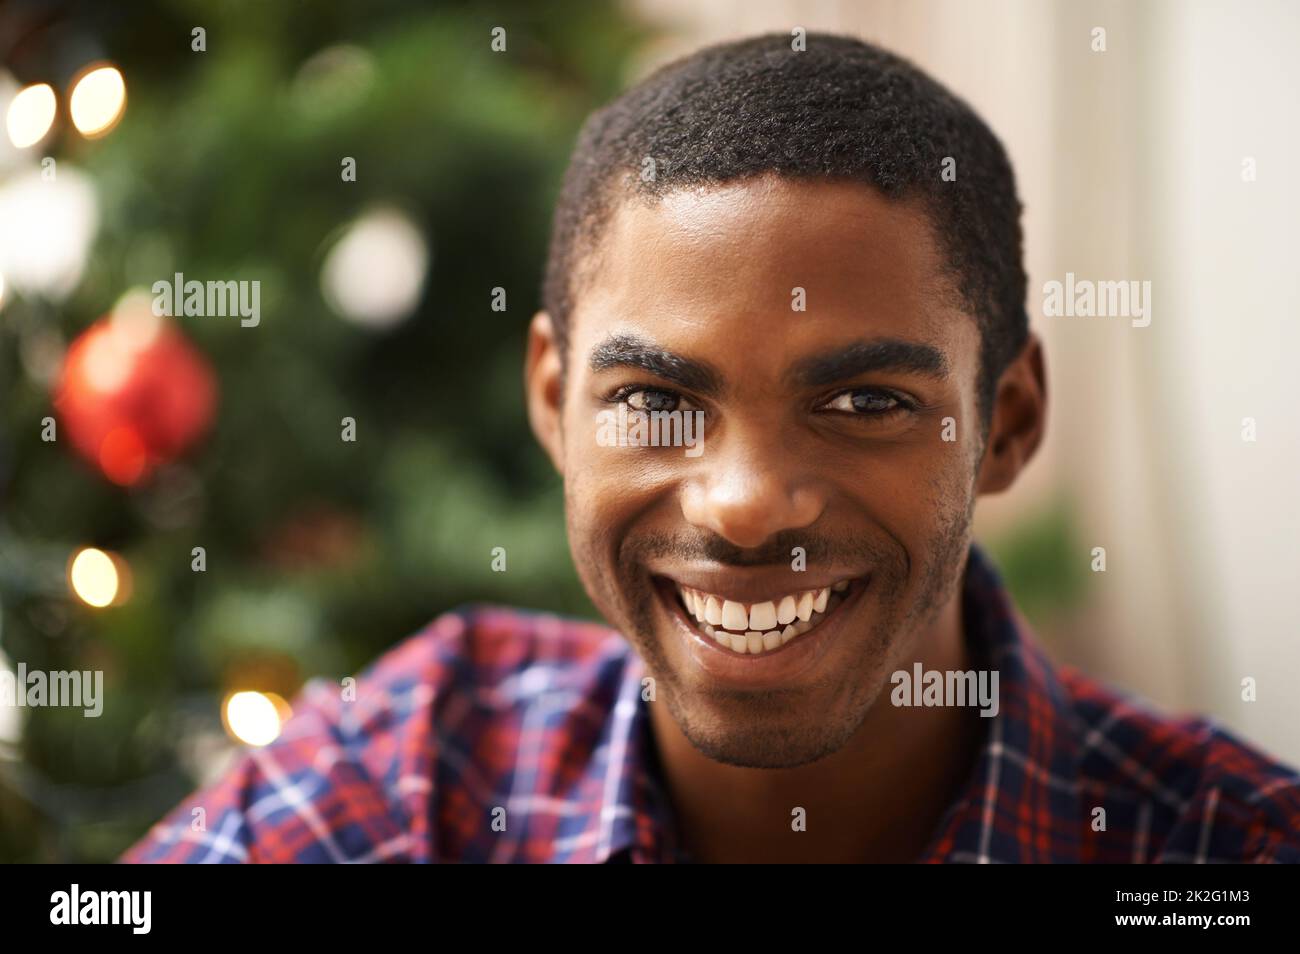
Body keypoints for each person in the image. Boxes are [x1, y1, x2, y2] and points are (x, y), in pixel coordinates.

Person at [125, 32, 1300, 864]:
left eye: (863, 403)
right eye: (653, 400)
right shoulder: (412, 776)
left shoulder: (1226, 847)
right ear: (553, 405)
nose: (744, 507)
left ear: (1006, 423)